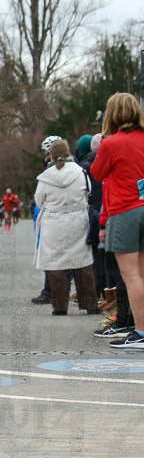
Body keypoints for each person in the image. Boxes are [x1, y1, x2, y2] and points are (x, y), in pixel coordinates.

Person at [91, 92, 144, 349]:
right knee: (142, 274)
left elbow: (98, 172)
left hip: (125, 210)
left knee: (131, 276)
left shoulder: (111, 144)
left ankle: (141, 332)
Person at [34, 139, 98, 315]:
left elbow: (39, 200)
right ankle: (90, 304)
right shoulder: (81, 172)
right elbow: (88, 192)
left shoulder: (46, 176)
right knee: (83, 263)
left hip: (53, 222)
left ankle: (60, 307)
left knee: (56, 264)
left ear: (51, 155)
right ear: (69, 153)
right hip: (78, 220)